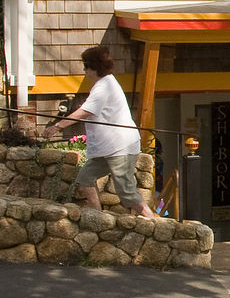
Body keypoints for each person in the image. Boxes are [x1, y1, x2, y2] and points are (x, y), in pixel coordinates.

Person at [45, 46, 154, 217]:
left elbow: (84, 112)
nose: (84, 72)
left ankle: (154, 222)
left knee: (126, 192)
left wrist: (56, 127)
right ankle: (98, 217)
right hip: (107, 148)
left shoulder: (104, 86)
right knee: (85, 178)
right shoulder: (104, 84)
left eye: (85, 67)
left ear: (93, 68)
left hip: (120, 146)